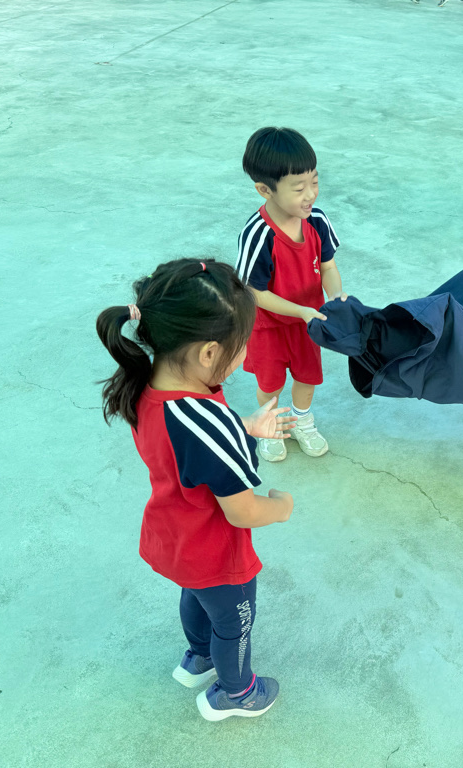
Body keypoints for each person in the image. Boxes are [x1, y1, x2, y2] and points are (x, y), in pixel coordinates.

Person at [96, 258, 297, 718]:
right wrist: (281, 506)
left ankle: (199, 656)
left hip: (174, 537)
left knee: (197, 595)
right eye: (242, 346)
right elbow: (242, 511)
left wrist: (242, 426)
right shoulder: (207, 422)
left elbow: (190, 439)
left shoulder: (145, 386)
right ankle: (237, 693)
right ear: (208, 353)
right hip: (215, 550)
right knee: (236, 620)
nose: (245, 357)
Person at [235, 127, 344, 462]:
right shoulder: (258, 235)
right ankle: (270, 424)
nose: (310, 194)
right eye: (299, 188)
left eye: (314, 181)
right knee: (270, 384)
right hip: (268, 326)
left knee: (307, 377)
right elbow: (253, 292)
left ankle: (301, 421)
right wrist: (300, 311)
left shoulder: (317, 221)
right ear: (265, 189)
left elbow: (328, 267)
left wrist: (336, 298)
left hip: (308, 322)